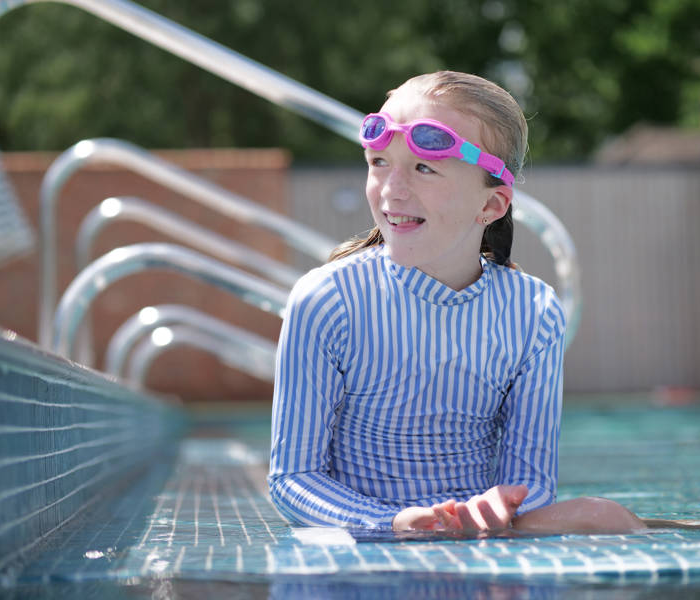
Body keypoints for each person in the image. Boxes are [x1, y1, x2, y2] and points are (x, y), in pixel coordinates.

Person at [267, 70, 644, 535]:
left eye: (424, 168)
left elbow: (531, 481)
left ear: (491, 206)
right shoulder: (330, 300)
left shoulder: (531, 312)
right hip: (370, 545)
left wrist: (492, 511)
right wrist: (393, 523)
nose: (392, 189)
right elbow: (293, 479)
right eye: (379, 162)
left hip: (475, 538)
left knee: (609, 517)